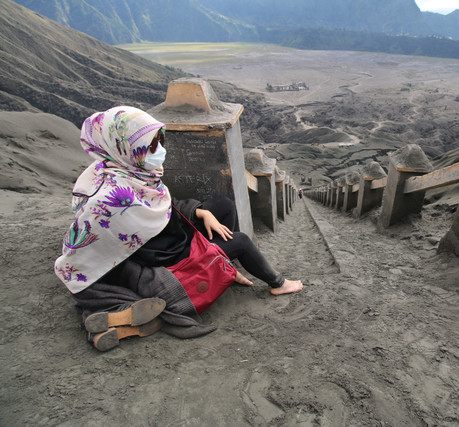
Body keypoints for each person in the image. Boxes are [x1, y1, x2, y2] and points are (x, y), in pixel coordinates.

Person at [54, 106, 303, 351]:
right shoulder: (117, 198)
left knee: (221, 205)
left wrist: (200, 211)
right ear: (126, 147)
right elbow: (165, 241)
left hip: (166, 238)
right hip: (171, 256)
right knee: (241, 242)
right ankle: (278, 283)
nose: (160, 150)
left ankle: (224, 265)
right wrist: (208, 245)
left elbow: (162, 208)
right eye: (151, 146)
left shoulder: (116, 169)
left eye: (159, 141)